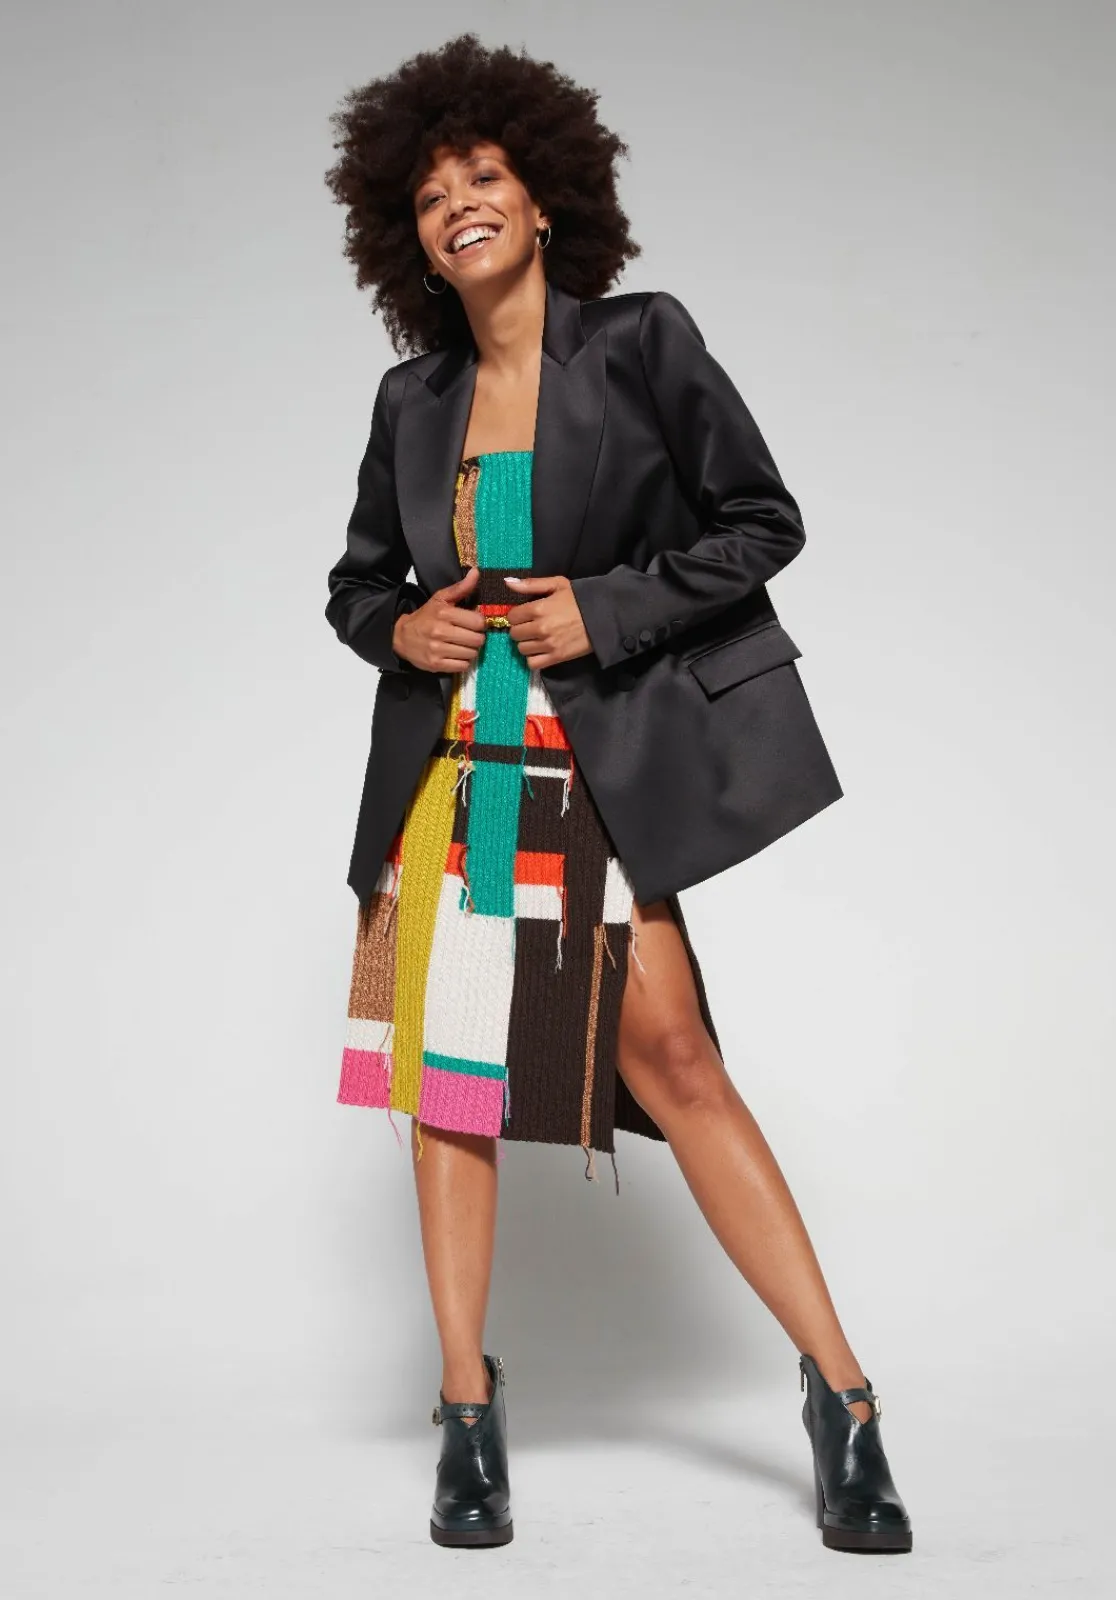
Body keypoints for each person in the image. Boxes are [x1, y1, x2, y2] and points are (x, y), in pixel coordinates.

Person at [322, 33, 911, 1555]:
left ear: (544, 199)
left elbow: (762, 520)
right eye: (431, 194)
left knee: (679, 1059)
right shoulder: (410, 398)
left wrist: (608, 607)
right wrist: (401, 628)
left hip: (593, 765)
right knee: (452, 1092)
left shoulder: (641, 343)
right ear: (411, 240)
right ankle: (467, 1407)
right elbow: (357, 584)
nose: (460, 203)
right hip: (454, 774)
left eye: (485, 177)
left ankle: (844, 1399)